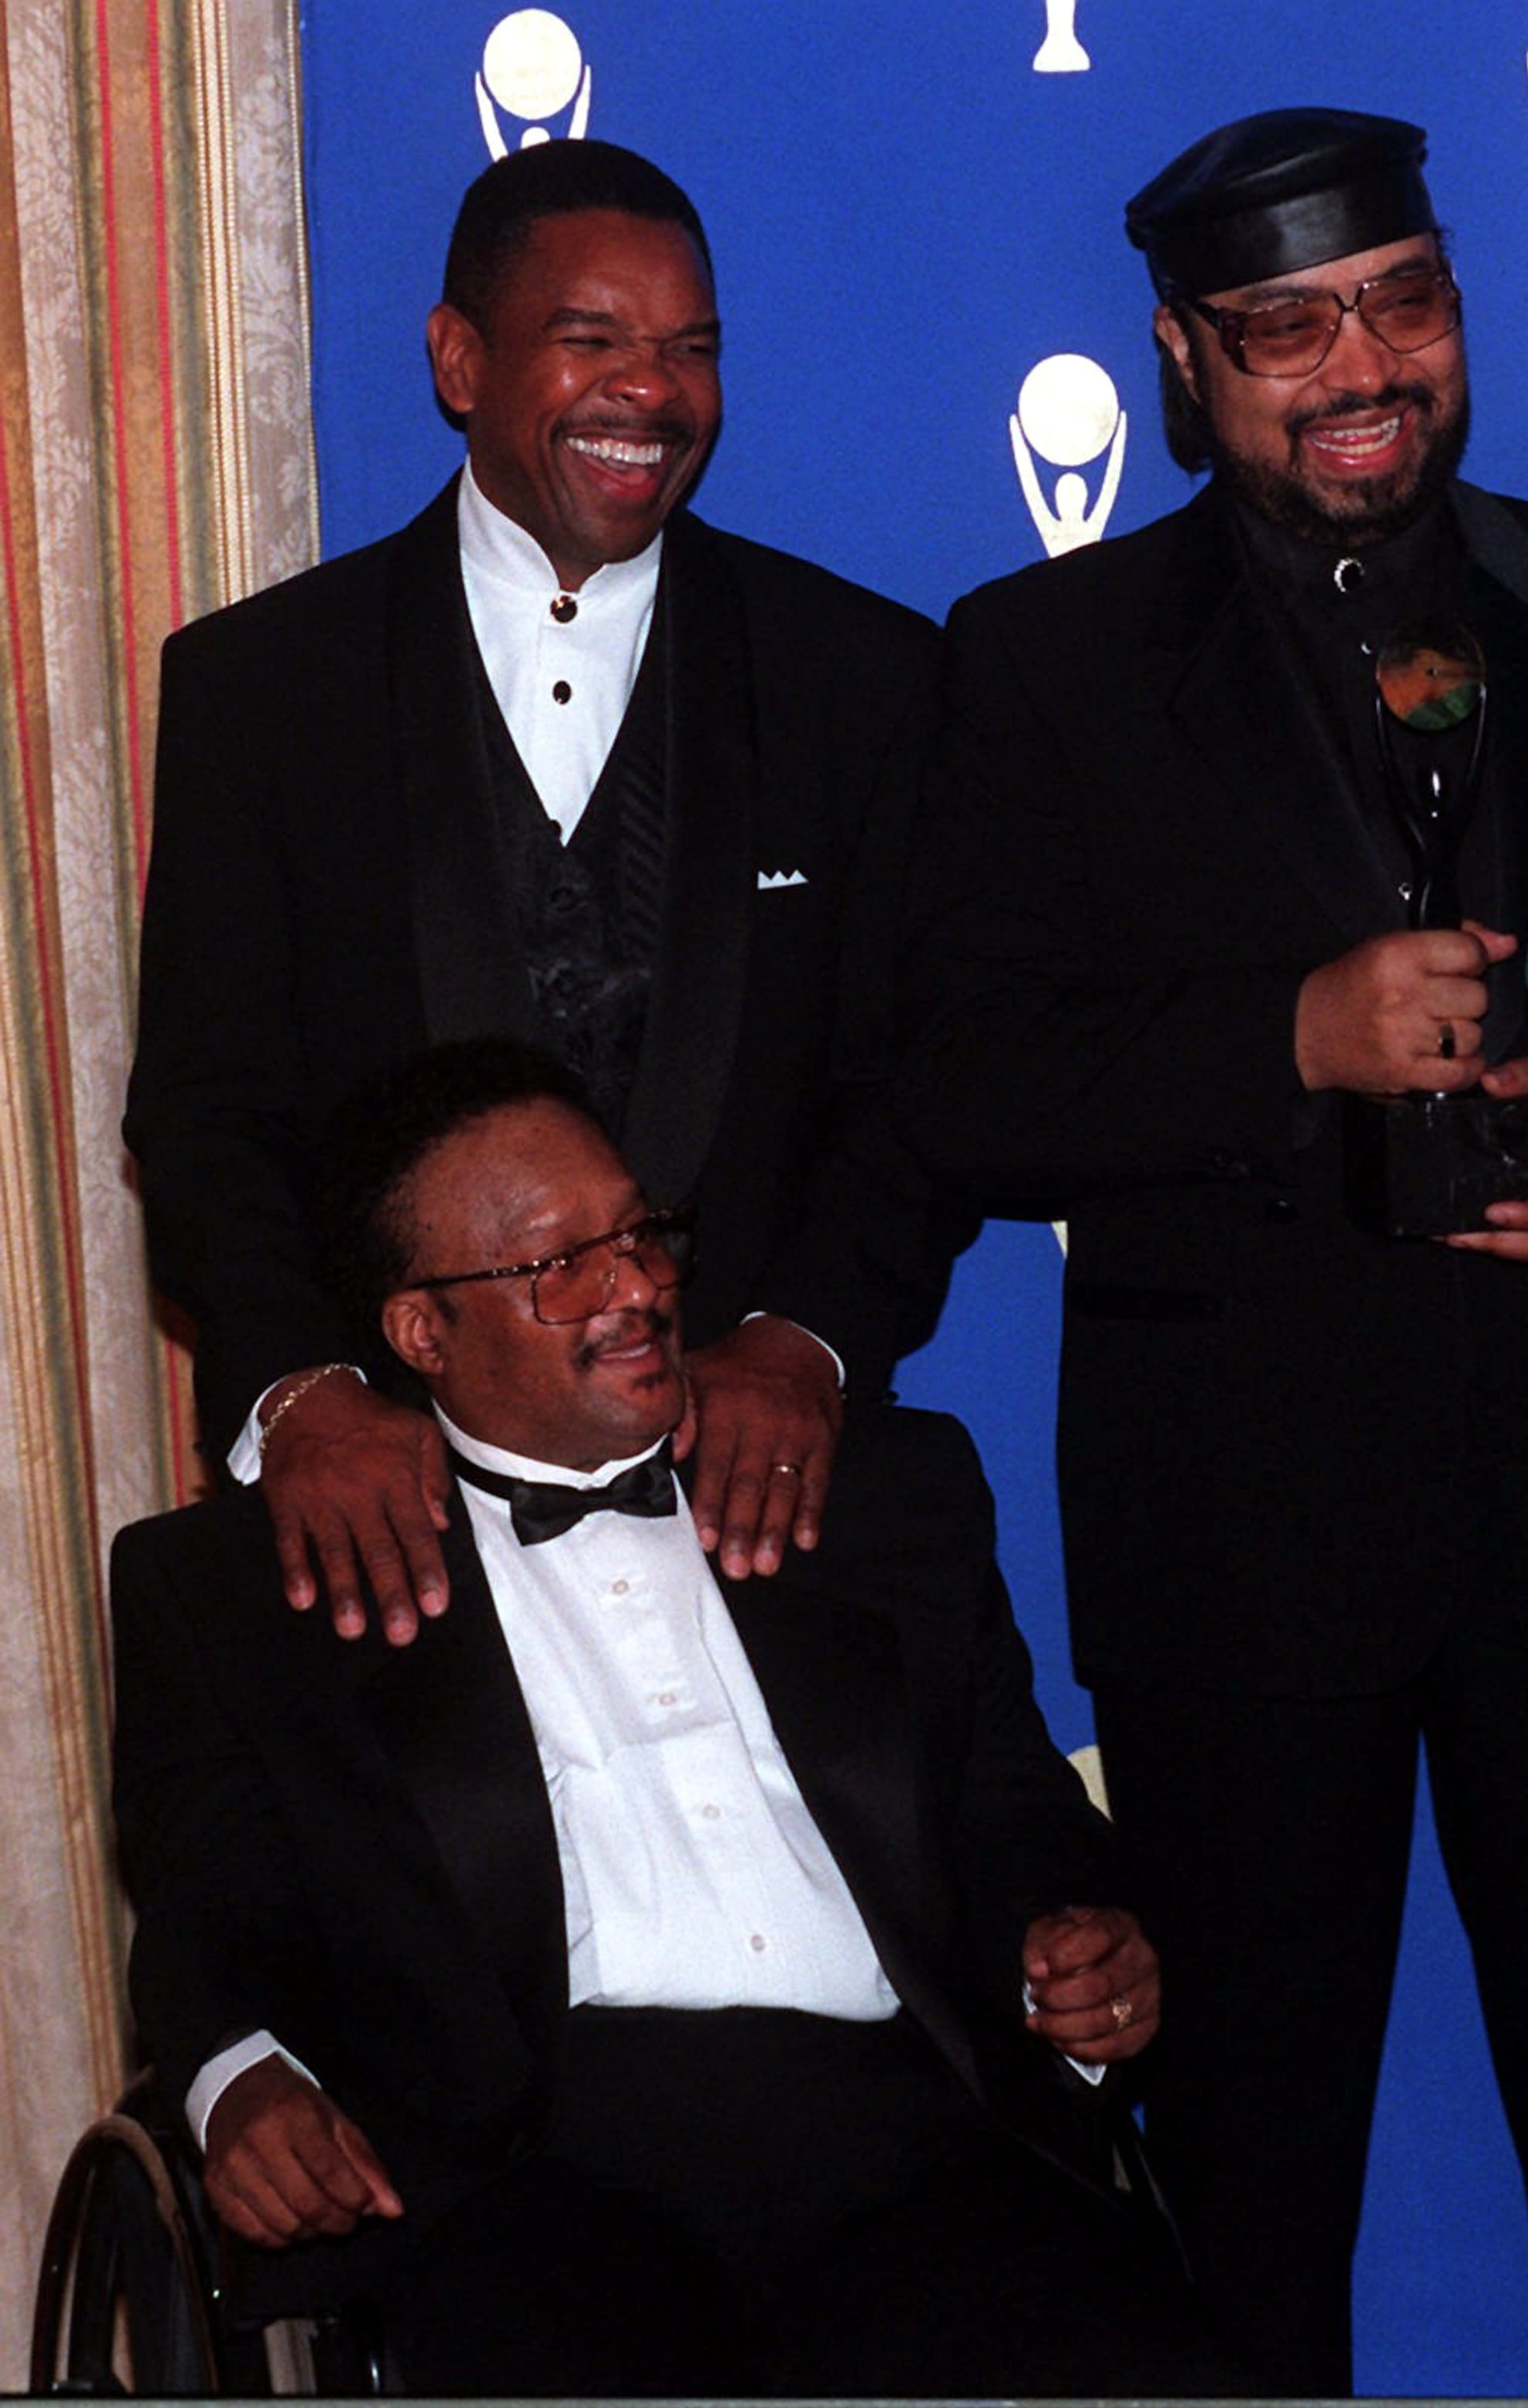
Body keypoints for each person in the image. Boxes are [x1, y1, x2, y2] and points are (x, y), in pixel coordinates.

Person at [897, 106, 1528, 2399]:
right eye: (1289, 324)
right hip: (1240, 1542)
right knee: (1249, 2189)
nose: (1360, 363)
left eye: (1403, 304)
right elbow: (959, 1080)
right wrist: (1286, 1036)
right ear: (1181, 363)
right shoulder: (1039, 656)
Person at [109, 1040, 1226, 2396]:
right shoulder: (237, 1587)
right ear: (421, 1331)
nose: (637, 1284)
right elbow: (207, 1915)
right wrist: (243, 2080)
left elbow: (1011, 1809)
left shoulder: (884, 1494)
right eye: (559, 1264)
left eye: (640, 1232)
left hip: (913, 2133)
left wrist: (1073, 1926)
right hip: (530, 2173)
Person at [124, 139, 964, 1647]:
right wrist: (302, 1394)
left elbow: (915, 1079)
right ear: (459, 360)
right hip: (390, 1541)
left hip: (767, 1512)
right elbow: (205, 1110)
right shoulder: (261, 691)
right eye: (593, 339)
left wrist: (808, 1339)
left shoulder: (864, 677)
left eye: (690, 348)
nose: (652, 389)